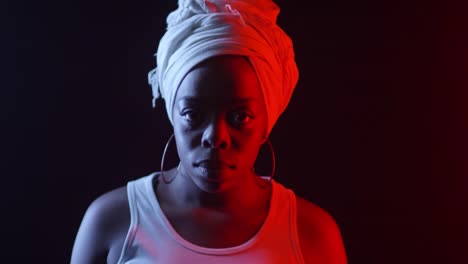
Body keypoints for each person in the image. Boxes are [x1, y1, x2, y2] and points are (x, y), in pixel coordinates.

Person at [71, 0, 347, 263]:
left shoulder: (311, 234)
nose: (215, 137)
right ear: (173, 115)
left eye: (241, 117)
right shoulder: (113, 221)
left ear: (267, 122)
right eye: (193, 114)